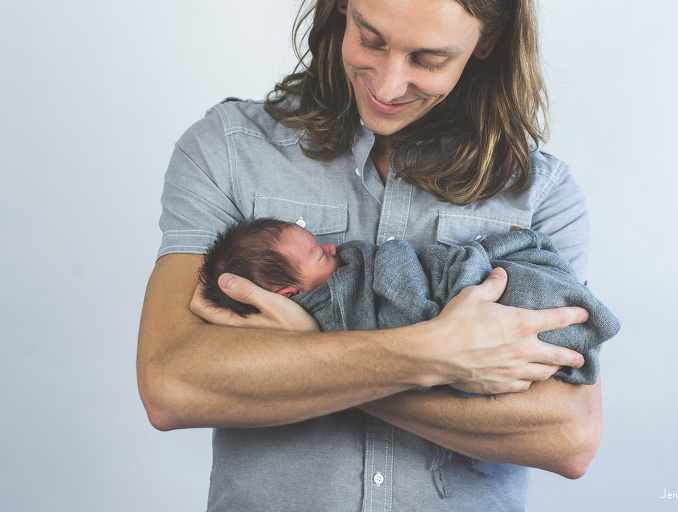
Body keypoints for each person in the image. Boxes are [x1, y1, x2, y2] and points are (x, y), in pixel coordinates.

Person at [137, 0, 604, 509]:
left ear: (486, 43)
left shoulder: (542, 195)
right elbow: (172, 383)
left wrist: (310, 352)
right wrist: (435, 355)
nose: (386, 86)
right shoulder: (226, 152)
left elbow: (568, 435)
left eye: (428, 60)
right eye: (371, 38)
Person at [198, 217, 619, 388]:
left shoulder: (552, 186)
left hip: (453, 277)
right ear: (290, 296)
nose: (333, 247)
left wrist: (316, 360)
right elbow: (396, 309)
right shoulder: (332, 308)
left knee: (514, 279)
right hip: (445, 298)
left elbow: (574, 445)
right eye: (320, 255)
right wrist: (438, 343)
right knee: (524, 301)